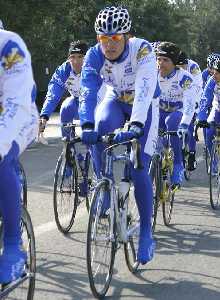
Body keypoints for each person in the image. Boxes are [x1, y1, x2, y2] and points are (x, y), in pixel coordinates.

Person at [79, 6, 160, 264]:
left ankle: (146, 233)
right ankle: (104, 187)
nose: (110, 44)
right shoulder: (94, 56)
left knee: (138, 169)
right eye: (104, 38)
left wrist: (136, 123)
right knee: (100, 125)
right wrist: (86, 125)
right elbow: (88, 90)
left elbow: (146, 87)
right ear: (97, 39)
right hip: (116, 99)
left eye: (115, 38)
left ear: (127, 35)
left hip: (145, 105)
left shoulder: (143, 50)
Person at [0, 27, 38, 283]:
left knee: (1, 160)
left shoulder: (9, 46)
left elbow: (16, 103)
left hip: (18, 117)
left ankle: (13, 244)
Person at [156, 42, 197, 186]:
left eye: (165, 60)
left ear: (174, 63)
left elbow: (190, 102)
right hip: (159, 111)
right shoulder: (152, 73)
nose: (161, 63)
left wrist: (185, 123)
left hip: (177, 111)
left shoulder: (184, 77)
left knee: (171, 123)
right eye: (159, 59)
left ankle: (178, 165)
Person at [39, 40, 88, 139]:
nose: (76, 61)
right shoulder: (64, 70)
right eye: (72, 57)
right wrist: (44, 116)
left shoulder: (94, 67)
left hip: (96, 104)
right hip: (77, 102)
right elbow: (53, 94)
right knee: (66, 106)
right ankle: (68, 147)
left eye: (80, 57)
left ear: (87, 58)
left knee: (92, 142)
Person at [177, 51, 203, 171]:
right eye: (178, 66)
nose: (180, 69)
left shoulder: (193, 67)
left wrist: (194, 104)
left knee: (190, 126)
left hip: (193, 94)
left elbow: (197, 87)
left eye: (182, 66)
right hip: (177, 96)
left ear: (186, 63)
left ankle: (192, 154)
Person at [197, 57, 220, 169]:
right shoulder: (212, 80)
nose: (213, 75)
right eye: (213, 72)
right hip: (217, 109)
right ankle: (214, 161)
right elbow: (205, 98)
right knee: (209, 131)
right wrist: (201, 117)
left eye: (216, 73)